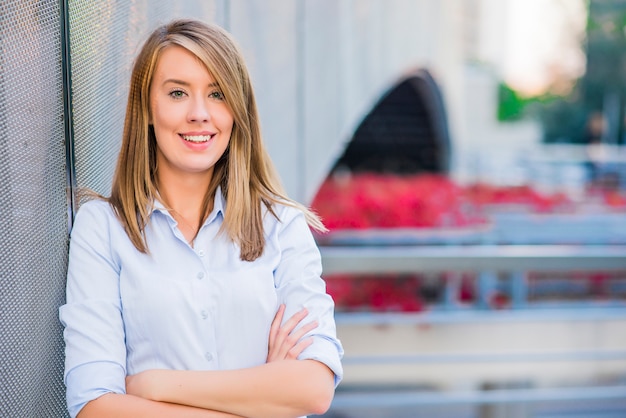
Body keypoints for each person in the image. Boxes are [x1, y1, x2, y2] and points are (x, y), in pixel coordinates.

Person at [59, 19, 343, 418]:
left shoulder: (281, 226)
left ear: (236, 111)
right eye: (177, 93)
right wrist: (264, 398)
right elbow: (95, 406)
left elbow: (313, 388)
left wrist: (156, 386)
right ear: (148, 110)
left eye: (217, 94)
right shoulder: (102, 229)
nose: (199, 114)